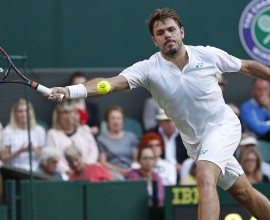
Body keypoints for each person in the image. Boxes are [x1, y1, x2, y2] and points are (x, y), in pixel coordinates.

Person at [49, 7, 270, 220]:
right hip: (196, 142)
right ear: (155, 40)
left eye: (171, 29)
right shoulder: (148, 69)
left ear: (181, 31)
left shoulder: (208, 55)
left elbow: (248, 67)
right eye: (160, 33)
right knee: (244, 194)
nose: (167, 35)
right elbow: (110, 84)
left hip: (223, 126)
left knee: (204, 175)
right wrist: (70, 91)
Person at [47, 103, 99, 180]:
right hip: (64, 174)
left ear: (75, 116)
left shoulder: (85, 130)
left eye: (70, 114)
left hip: (88, 171)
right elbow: (53, 157)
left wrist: (85, 168)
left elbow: (94, 151)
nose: (68, 117)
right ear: (58, 117)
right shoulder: (52, 134)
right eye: (64, 114)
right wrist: (68, 170)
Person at [0, 99, 46, 171]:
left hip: (36, 169)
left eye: (27, 111)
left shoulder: (39, 130)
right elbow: (3, 157)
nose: (24, 114)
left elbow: (45, 154)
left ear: (32, 113)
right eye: (20, 111)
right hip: (15, 170)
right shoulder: (8, 131)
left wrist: (34, 149)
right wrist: (20, 151)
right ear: (15, 114)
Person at [97, 105, 139, 181]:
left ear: (123, 121)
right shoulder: (101, 139)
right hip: (112, 172)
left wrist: (131, 169)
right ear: (107, 121)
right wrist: (119, 170)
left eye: (119, 118)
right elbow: (103, 162)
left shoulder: (131, 137)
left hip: (130, 170)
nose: (116, 121)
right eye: (113, 118)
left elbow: (136, 159)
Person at [147, 108, 188, 181]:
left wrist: (183, 166)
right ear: (160, 122)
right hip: (158, 170)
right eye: (167, 121)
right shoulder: (151, 134)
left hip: (181, 171)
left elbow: (190, 155)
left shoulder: (185, 134)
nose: (171, 123)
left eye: (174, 120)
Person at [68, 71, 101, 136]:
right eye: (76, 85)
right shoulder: (64, 107)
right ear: (71, 86)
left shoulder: (93, 107)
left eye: (83, 85)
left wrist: (85, 132)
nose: (80, 88)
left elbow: (97, 128)